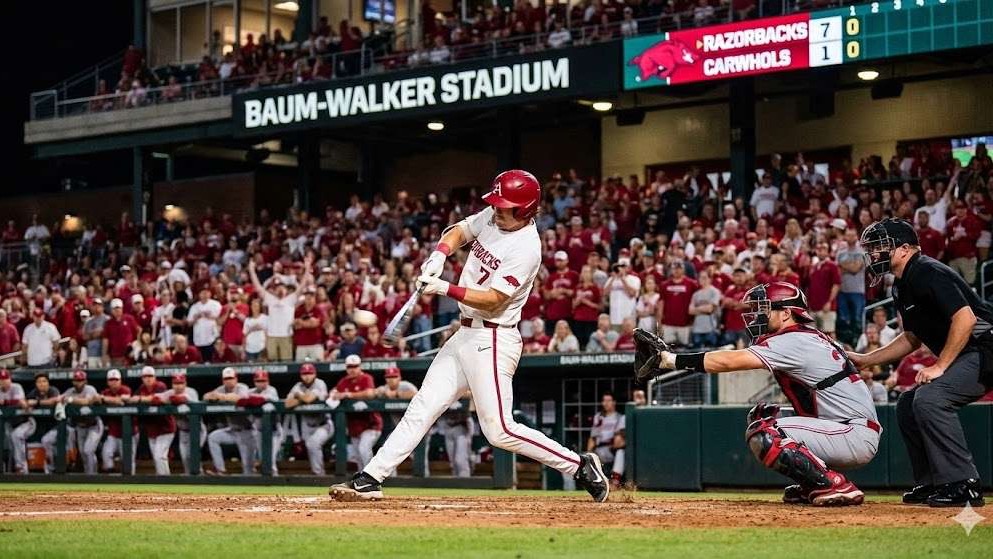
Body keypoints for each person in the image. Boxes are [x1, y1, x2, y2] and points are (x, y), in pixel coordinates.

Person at [330, 170, 609, 502]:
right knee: (423, 405)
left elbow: (494, 299)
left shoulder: (527, 248)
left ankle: (579, 465)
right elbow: (460, 229)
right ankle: (372, 477)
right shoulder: (494, 217)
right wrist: (439, 254)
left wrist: (445, 287)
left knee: (500, 431)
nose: (497, 209)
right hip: (464, 334)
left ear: (525, 210)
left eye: (505, 206)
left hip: (493, 340)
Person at [635, 282, 879, 506]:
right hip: (844, 429)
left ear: (786, 313)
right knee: (761, 415)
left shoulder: (794, 339)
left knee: (765, 432)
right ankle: (814, 482)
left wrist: (670, 360)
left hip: (850, 433)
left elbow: (731, 361)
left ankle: (834, 485)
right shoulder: (808, 337)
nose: (757, 315)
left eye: (765, 308)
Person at [851, 218, 992, 507]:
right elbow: (911, 338)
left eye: (879, 248)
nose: (874, 255)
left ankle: (963, 484)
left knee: (930, 399)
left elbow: (966, 319)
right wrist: (866, 360)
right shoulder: (902, 284)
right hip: (970, 353)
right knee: (907, 403)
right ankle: (934, 482)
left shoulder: (927, 271)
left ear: (904, 249)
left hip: (986, 349)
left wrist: (940, 366)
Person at [329, 355, 382, 472]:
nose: (352, 369)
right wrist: (333, 393)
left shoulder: (366, 378)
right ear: (346, 368)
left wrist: (348, 395)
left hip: (371, 424)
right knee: (358, 456)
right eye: (350, 367)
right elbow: (335, 393)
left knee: (364, 449)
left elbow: (369, 394)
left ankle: (372, 477)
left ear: (360, 366)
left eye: (355, 366)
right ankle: (362, 482)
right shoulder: (343, 381)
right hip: (354, 426)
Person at [204, 367, 254, 476]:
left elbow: (239, 398)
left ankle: (251, 490)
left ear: (236, 379)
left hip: (247, 431)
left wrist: (220, 397)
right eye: (226, 379)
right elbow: (206, 396)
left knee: (248, 471)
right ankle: (220, 470)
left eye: (231, 378)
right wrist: (211, 397)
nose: (229, 381)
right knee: (213, 437)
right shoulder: (221, 389)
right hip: (232, 431)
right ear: (223, 380)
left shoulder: (242, 387)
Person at [284, 362, 332, 475]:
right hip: (307, 425)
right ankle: (318, 473)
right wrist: (302, 397)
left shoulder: (320, 384)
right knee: (311, 448)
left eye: (310, 373)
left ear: (315, 374)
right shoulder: (298, 386)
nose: (307, 376)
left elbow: (309, 399)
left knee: (313, 444)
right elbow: (287, 404)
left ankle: (319, 475)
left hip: (324, 424)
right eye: (304, 373)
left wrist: (298, 396)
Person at [128, 366, 177, 475]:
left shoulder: (160, 386)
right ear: (142, 378)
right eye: (146, 376)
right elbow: (132, 400)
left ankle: (165, 482)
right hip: (152, 429)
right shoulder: (141, 389)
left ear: (155, 377)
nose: (148, 379)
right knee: (158, 457)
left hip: (166, 428)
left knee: (159, 456)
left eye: (150, 376)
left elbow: (157, 398)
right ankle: (165, 481)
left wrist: (141, 399)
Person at [59, 370, 103, 475]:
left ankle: (93, 476)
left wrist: (69, 400)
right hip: (80, 426)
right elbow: (59, 399)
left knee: (88, 451)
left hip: (94, 425)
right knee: (83, 453)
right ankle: (88, 475)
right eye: (76, 380)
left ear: (85, 381)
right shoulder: (70, 391)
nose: (78, 382)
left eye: (80, 380)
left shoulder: (90, 389)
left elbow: (86, 401)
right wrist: (62, 399)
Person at [162, 373, 206, 475]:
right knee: (185, 457)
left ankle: (199, 475)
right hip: (183, 431)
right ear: (172, 385)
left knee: (193, 454)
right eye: (176, 383)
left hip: (197, 430)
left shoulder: (191, 392)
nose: (178, 386)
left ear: (185, 383)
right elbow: (158, 398)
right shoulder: (170, 393)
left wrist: (180, 399)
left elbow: (188, 400)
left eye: (181, 383)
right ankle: (189, 479)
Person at [97, 369, 137, 473]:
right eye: (111, 380)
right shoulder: (106, 392)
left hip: (129, 433)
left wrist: (105, 399)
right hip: (113, 432)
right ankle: (111, 480)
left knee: (127, 459)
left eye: (116, 380)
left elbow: (121, 401)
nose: (114, 382)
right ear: (107, 382)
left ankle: (130, 481)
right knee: (106, 453)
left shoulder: (125, 389)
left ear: (120, 381)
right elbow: (97, 399)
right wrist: (104, 398)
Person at [246, 369, 283, 475]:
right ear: (254, 382)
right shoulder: (250, 391)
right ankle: (267, 485)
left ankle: (275, 484)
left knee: (270, 461)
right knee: (264, 460)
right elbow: (243, 400)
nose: (261, 383)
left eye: (264, 380)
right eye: (258, 381)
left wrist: (257, 400)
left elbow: (268, 397)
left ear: (268, 381)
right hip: (259, 430)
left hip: (274, 431)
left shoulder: (272, 390)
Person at [24, 373, 61, 473]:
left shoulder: (53, 390)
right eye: (39, 382)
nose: (42, 384)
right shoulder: (34, 392)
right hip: (41, 425)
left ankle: (53, 469)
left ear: (48, 383)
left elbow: (55, 400)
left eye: (44, 381)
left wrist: (37, 403)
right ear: (36, 384)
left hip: (58, 425)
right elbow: (27, 402)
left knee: (47, 440)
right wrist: (28, 405)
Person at [587, 392, 625, 488]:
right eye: (604, 401)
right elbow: (593, 438)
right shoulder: (598, 417)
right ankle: (593, 485)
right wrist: (589, 453)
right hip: (599, 450)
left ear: (614, 402)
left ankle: (615, 482)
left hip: (611, 450)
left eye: (609, 400)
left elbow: (619, 441)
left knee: (621, 452)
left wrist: (612, 447)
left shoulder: (620, 417)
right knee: (586, 457)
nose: (606, 403)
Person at [836, 229, 866, 345]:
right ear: (845, 237)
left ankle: (857, 343)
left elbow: (856, 269)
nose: (850, 237)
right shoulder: (840, 253)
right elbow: (838, 270)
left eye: (852, 235)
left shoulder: (862, 252)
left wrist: (844, 265)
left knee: (857, 319)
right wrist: (851, 265)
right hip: (842, 290)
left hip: (857, 291)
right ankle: (845, 344)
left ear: (856, 237)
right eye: (848, 235)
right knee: (843, 319)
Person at [0, 369, 32, 473]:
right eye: (1, 379)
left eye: (6, 379)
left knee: (16, 435)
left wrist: (4, 402)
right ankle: (9, 469)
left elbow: (20, 402)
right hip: (9, 424)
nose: (4, 381)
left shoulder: (16, 387)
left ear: (10, 379)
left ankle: (21, 468)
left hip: (26, 422)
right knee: (8, 443)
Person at [187, 288, 222, 362]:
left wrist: (210, 316)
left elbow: (221, 320)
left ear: (210, 294)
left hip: (212, 338)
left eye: (207, 292)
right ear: (199, 294)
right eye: (203, 293)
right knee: (200, 361)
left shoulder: (216, 304)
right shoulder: (194, 307)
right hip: (199, 339)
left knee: (212, 360)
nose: (205, 294)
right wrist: (196, 318)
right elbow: (189, 323)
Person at [688, 271, 721, 348]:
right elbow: (690, 311)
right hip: (696, 329)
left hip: (710, 329)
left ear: (710, 279)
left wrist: (697, 309)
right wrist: (704, 308)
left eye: (704, 278)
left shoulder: (715, 292)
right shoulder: (696, 294)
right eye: (700, 278)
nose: (702, 280)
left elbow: (710, 309)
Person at [102, 298, 139, 367]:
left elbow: (138, 332)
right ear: (111, 310)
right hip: (115, 356)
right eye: (115, 309)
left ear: (122, 308)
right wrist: (104, 354)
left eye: (118, 308)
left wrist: (135, 345)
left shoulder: (129, 319)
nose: (117, 310)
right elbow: (105, 340)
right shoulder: (108, 323)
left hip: (130, 356)